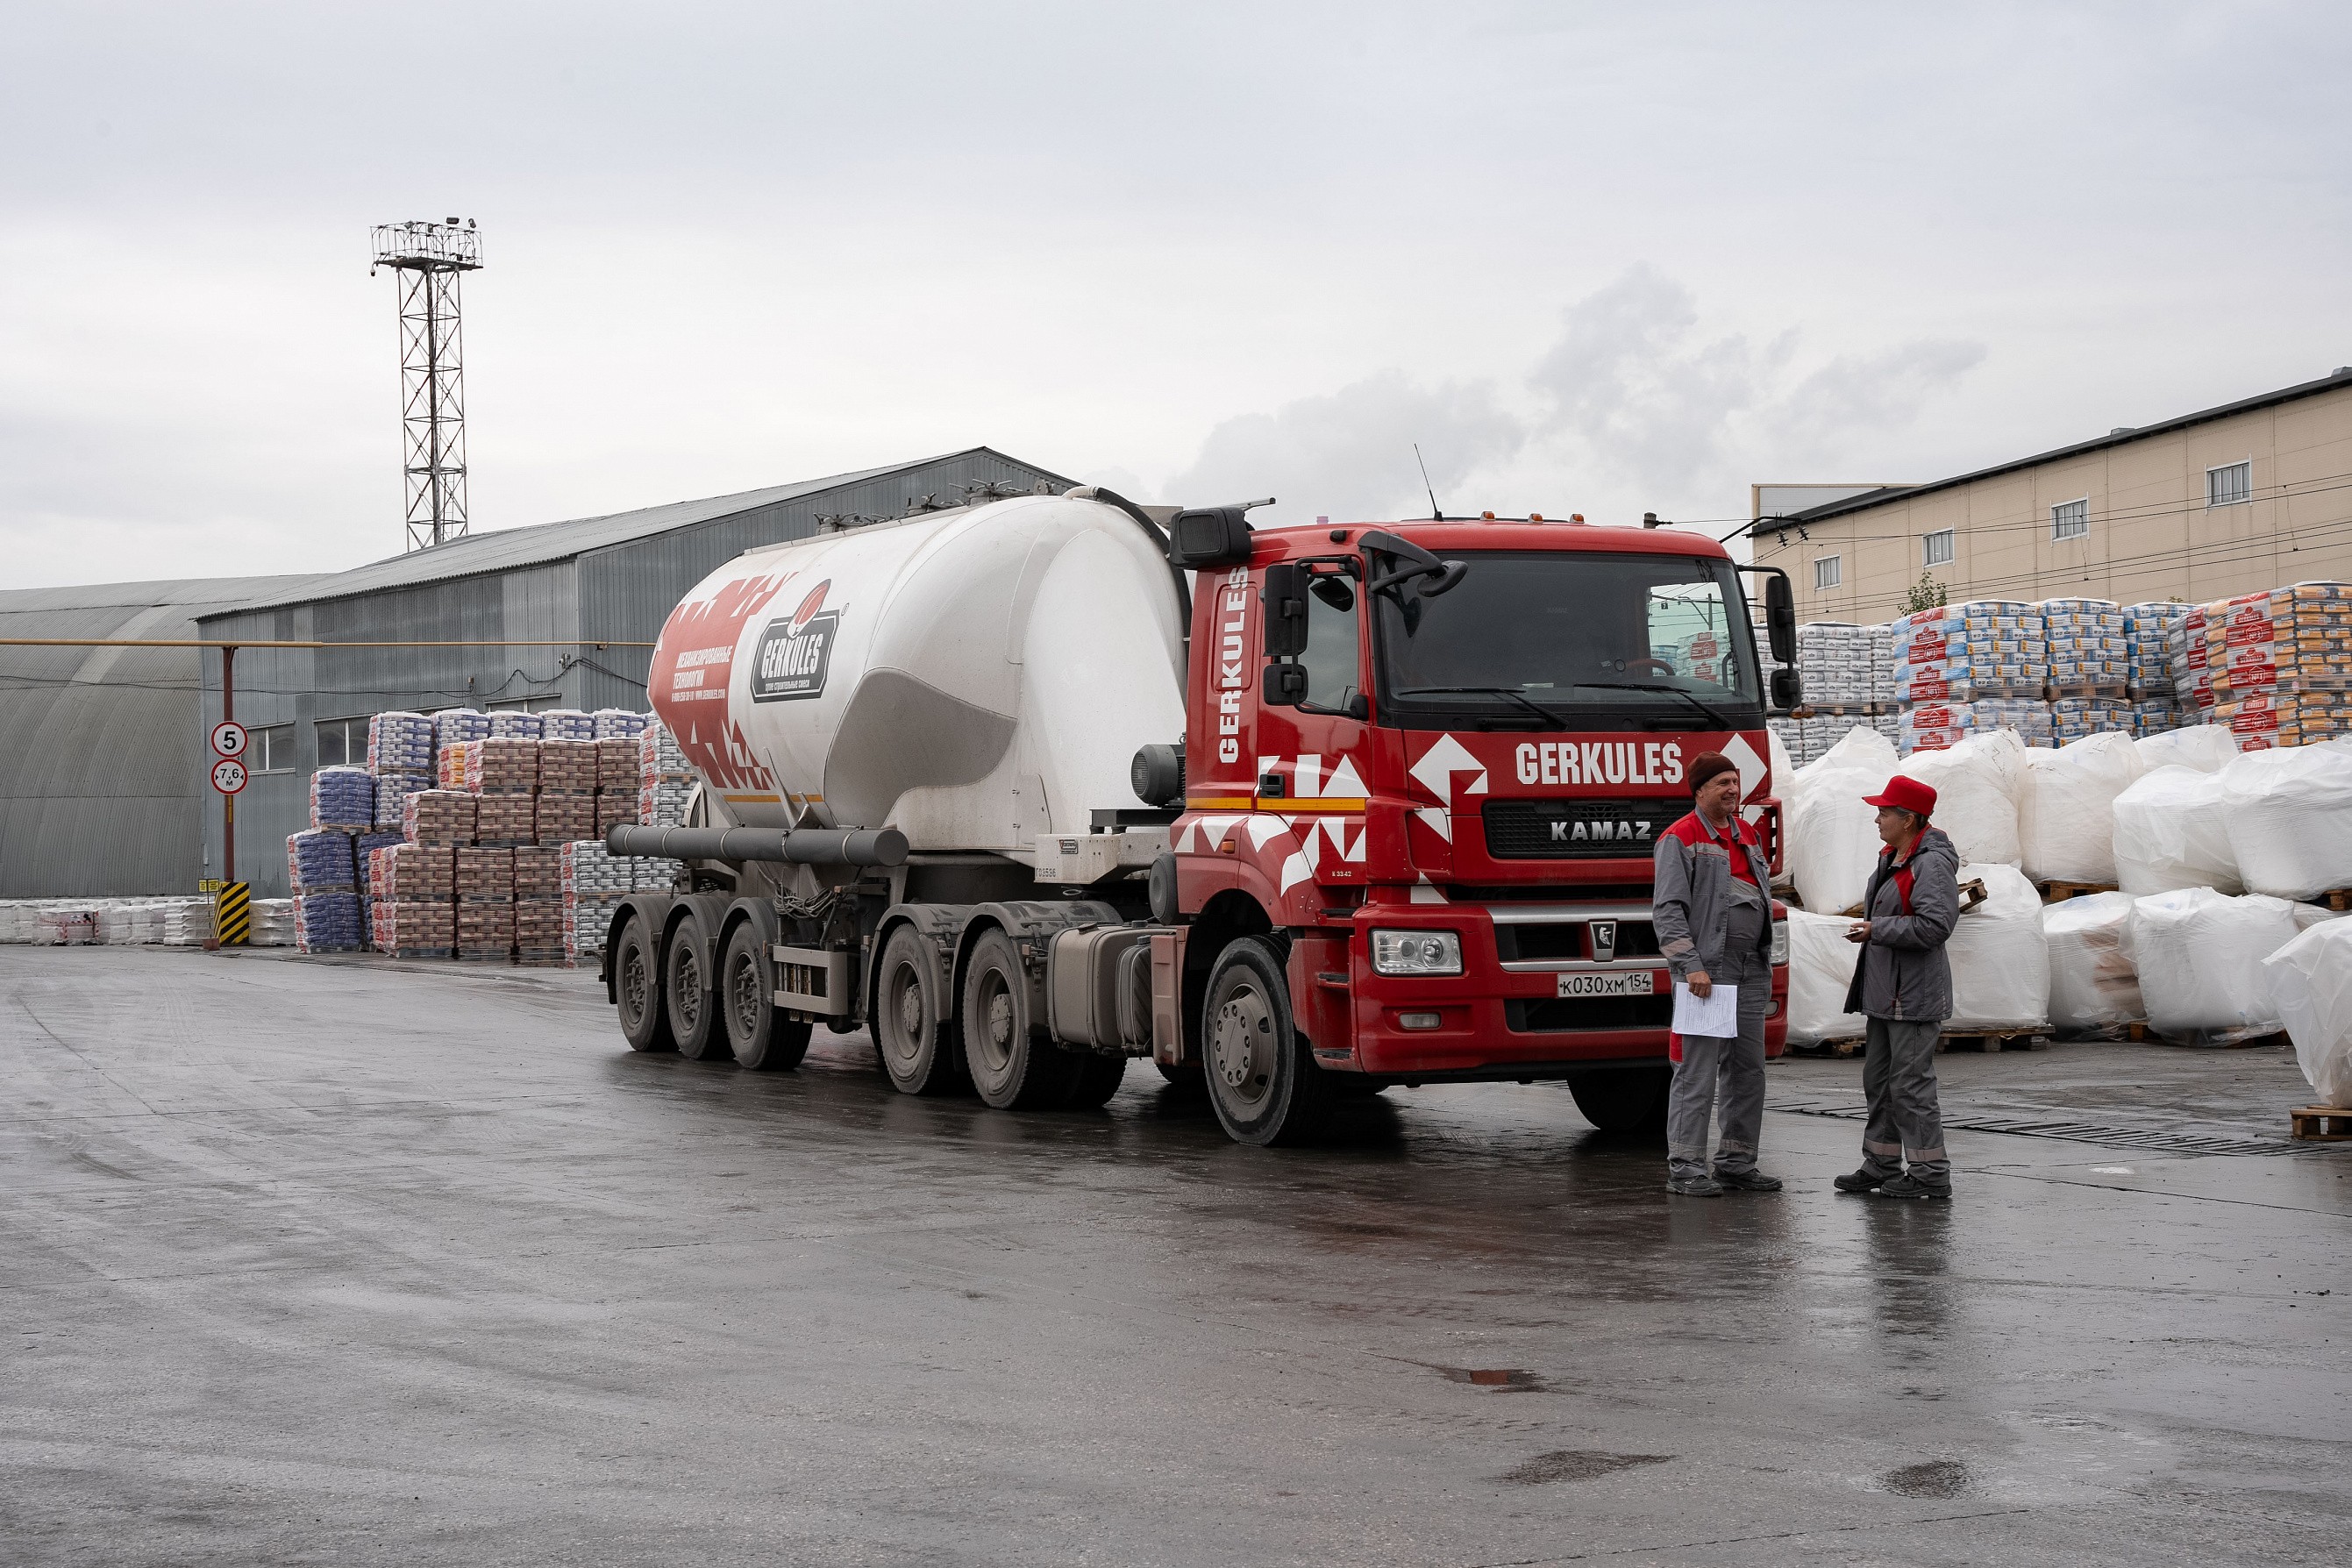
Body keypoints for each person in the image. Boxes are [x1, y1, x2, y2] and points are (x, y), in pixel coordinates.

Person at [1651, 752, 1780, 1197]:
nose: (1732, 789)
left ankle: (1737, 1161)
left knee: (1749, 1069)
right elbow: (1668, 913)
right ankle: (1686, 1165)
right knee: (1696, 1070)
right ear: (1700, 790)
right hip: (1708, 973)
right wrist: (1691, 967)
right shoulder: (1679, 838)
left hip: (1750, 969)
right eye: (1722, 782)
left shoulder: (1746, 834)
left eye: (1735, 781)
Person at [1837, 774, 1959, 1201]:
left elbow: (1936, 925)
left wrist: (1877, 929)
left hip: (1913, 996)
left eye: (1884, 812)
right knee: (1881, 1080)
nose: (1877, 818)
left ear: (1908, 819)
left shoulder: (1930, 863)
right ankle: (1882, 1163)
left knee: (1909, 1085)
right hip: (1886, 995)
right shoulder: (1893, 856)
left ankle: (1930, 1172)